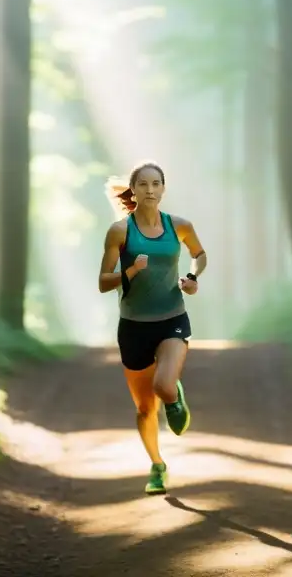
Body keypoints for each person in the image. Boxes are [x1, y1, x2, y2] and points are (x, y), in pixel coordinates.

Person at [97, 161, 208, 495]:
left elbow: (199, 255)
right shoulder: (120, 231)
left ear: (163, 189)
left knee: (163, 386)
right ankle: (157, 465)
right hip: (133, 327)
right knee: (145, 408)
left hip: (172, 318)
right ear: (133, 190)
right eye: (142, 185)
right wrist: (129, 273)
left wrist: (192, 278)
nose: (149, 190)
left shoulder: (180, 226)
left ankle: (173, 394)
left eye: (155, 184)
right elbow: (103, 283)